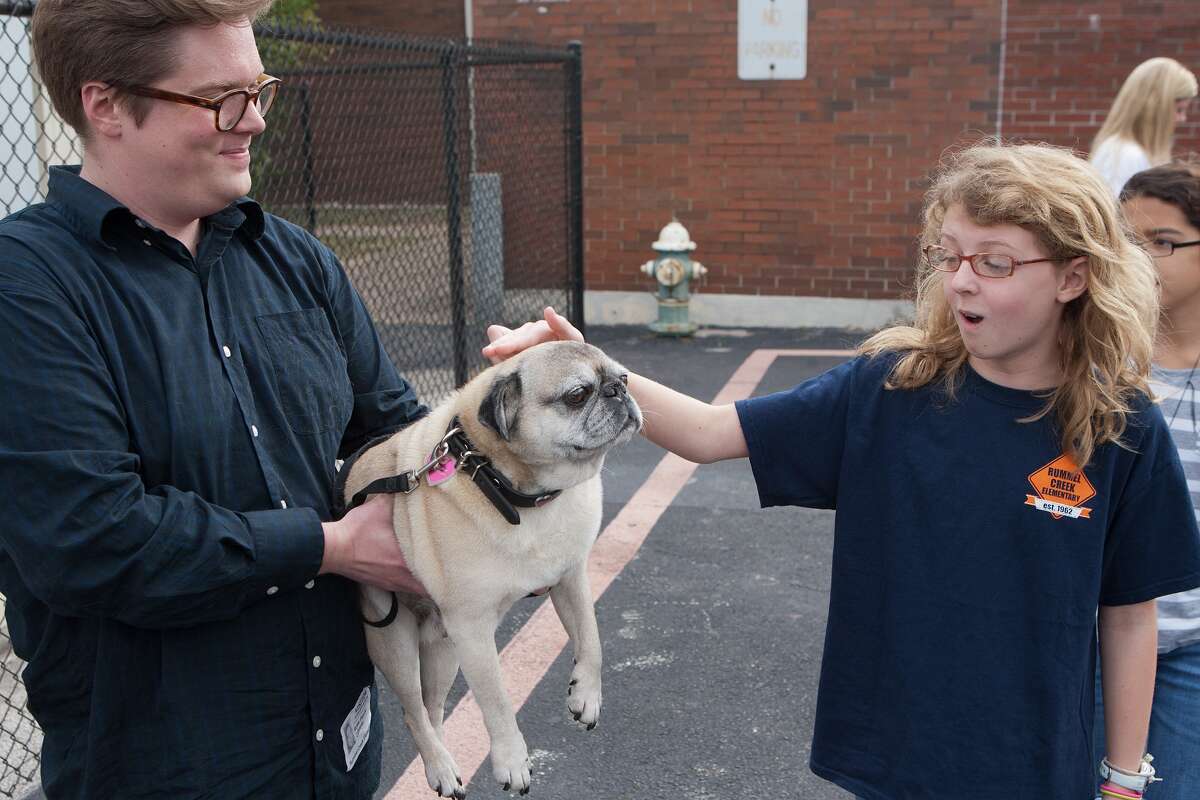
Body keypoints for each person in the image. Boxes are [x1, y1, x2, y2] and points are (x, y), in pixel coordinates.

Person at [483, 144, 1200, 799]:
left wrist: (1124, 779)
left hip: (1038, 768)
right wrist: (587, 362)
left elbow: (1131, 613)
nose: (962, 283)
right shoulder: (891, 390)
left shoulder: (1121, 425)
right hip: (893, 759)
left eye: (996, 262)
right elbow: (706, 433)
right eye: (949, 255)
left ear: (1074, 277)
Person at [0, 1, 426, 798]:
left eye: (259, 89)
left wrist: (507, 449)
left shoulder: (295, 259)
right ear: (107, 105)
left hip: (337, 752)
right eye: (221, 99)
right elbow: (89, 539)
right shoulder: (29, 286)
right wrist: (328, 546)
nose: (255, 121)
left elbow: (401, 433)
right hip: (166, 768)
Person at [1090, 162, 1200, 800]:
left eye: (1162, 241)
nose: (1139, 258)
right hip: (1096, 629)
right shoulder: (1100, 356)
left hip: (1191, 643)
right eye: (1126, 241)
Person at [1090, 57, 1197, 198]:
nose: (1182, 118)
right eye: (1179, 110)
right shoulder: (1125, 155)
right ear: (1156, 107)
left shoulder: (1131, 151)